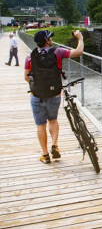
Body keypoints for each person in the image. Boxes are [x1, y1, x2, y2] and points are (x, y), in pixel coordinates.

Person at [24, 30, 84, 164]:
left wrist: (39, 85)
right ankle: (55, 145)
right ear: (47, 41)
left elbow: (26, 77)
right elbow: (79, 52)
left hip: (37, 96)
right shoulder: (58, 52)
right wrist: (80, 38)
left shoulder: (30, 56)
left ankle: (45, 155)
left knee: (40, 125)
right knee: (53, 120)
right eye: (50, 37)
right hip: (54, 94)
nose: (51, 39)